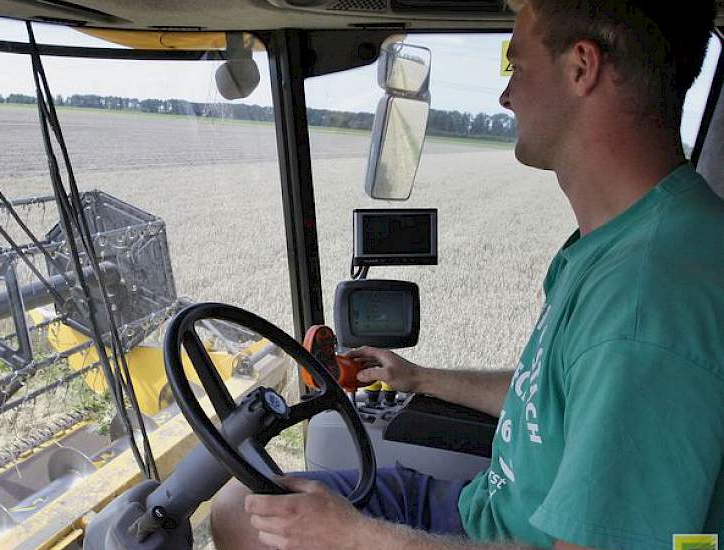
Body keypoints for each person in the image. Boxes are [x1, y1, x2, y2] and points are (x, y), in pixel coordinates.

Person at [211, 1, 723, 549]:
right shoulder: (622, 242)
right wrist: (420, 378)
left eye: (517, 68)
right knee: (239, 508)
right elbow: (550, 403)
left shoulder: (648, 299)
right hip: (483, 511)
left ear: (581, 68)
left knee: (248, 517)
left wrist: (355, 537)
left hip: (506, 535)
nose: (506, 97)